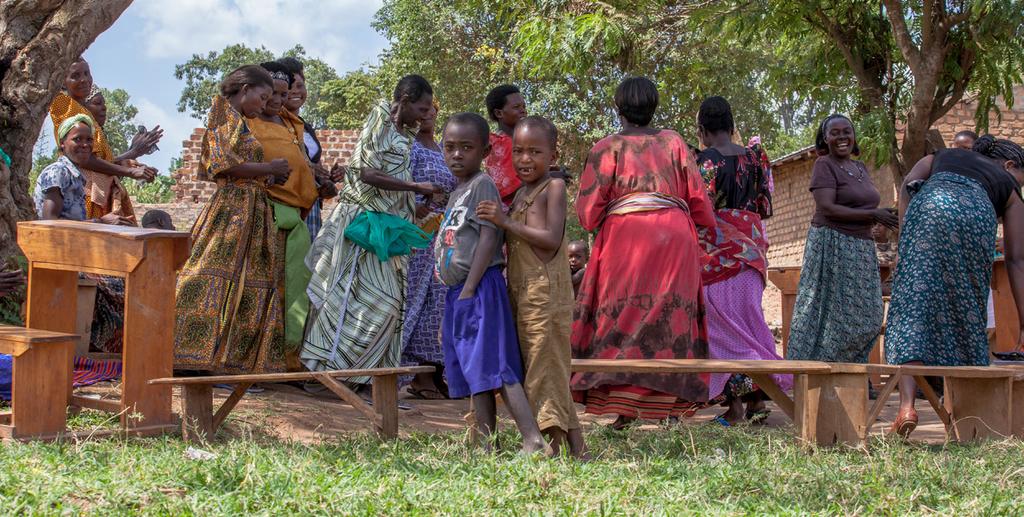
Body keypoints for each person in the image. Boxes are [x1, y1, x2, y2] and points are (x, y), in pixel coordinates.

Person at [570, 77, 717, 429]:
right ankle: (669, 407)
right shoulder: (674, 142)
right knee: (671, 314)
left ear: (617, 109)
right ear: (654, 106)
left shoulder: (606, 148)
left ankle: (623, 407)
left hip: (626, 236)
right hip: (675, 238)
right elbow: (699, 201)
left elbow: (588, 212)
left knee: (622, 314)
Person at [302, 75, 440, 390]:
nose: (424, 115)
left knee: (387, 304)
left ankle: (362, 378)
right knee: (360, 301)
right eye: (421, 107)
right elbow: (367, 173)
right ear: (403, 99)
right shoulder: (379, 120)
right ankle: (331, 375)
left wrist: (412, 202)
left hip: (387, 229)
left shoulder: (403, 133)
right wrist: (417, 186)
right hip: (364, 227)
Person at [885, 135, 1024, 437]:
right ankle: (966, 418)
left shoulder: (941, 156)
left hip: (929, 211)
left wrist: (908, 234)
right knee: (967, 306)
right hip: (976, 219)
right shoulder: (1009, 185)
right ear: (1010, 165)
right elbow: (1015, 260)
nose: (1020, 185)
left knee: (912, 306)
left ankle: (906, 407)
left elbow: (910, 181)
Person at [435, 112, 548, 454]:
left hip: (480, 288)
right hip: (460, 291)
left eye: (466, 148)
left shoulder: (481, 184)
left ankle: (533, 439)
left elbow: (489, 235)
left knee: (497, 365)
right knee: (475, 369)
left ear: (484, 151)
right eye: (450, 147)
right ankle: (485, 444)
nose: (456, 154)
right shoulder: (457, 191)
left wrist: (470, 288)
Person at [477, 116, 587, 457]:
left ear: (552, 155)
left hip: (546, 296)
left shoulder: (553, 188)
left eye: (534, 152)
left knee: (544, 368)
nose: (525, 159)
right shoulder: (522, 192)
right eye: (519, 152)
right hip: (522, 294)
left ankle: (548, 445)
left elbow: (551, 241)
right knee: (543, 366)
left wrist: (505, 221)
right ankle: (578, 447)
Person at [174, 65, 291, 374]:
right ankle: (189, 355)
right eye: (262, 97)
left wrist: (270, 177)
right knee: (207, 275)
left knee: (245, 283)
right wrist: (269, 169)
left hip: (251, 209)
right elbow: (222, 165)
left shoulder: (240, 123)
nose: (265, 105)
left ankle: (227, 361)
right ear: (244, 90)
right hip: (232, 210)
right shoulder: (222, 116)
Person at [695, 96, 790, 426]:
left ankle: (736, 408)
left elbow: (701, 210)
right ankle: (756, 403)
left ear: (702, 130)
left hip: (716, 256)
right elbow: (763, 206)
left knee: (722, 332)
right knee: (749, 325)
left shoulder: (705, 161)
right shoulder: (755, 158)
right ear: (732, 126)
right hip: (751, 255)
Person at [785, 115, 897, 364]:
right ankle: (825, 372)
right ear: (825, 138)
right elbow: (827, 207)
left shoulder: (860, 168)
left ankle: (851, 368)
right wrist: (872, 214)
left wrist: (882, 218)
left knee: (869, 315)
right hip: (834, 244)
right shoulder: (824, 164)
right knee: (835, 318)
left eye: (847, 131)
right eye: (834, 133)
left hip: (861, 247)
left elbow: (863, 205)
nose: (842, 137)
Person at [247, 61, 319, 369]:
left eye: (283, 93)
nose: (277, 100)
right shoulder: (249, 125)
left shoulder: (292, 125)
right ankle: (259, 360)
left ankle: (289, 359)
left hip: (298, 217)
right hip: (269, 212)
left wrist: (319, 178)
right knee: (266, 289)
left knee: (295, 290)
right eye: (271, 94)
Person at [49, 57, 159, 223]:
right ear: (63, 82)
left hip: (98, 191)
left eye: (87, 73)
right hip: (85, 191)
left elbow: (99, 160)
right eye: (75, 76)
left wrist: (130, 162)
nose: (84, 79)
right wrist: (130, 169)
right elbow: (85, 159)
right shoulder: (64, 103)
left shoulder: (85, 116)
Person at [402, 98, 456, 399]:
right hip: (417, 233)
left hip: (444, 233)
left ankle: (433, 372)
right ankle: (414, 374)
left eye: (431, 108)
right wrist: (416, 206)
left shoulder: (443, 150)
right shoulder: (409, 148)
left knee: (439, 304)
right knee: (415, 300)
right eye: (421, 109)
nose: (427, 114)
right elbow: (397, 186)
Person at [276, 56, 340, 241]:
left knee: (305, 266)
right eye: (290, 86)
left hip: (310, 209)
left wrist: (327, 182)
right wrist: (308, 168)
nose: (296, 91)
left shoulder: (307, 128)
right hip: (285, 207)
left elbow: (313, 171)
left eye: (300, 85)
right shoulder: (272, 124)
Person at [484, 84, 527, 205]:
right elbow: (504, 189)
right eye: (516, 107)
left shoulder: (521, 141)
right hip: (509, 214)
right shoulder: (497, 143)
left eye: (524, 106)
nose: (523, 110)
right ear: (499, 113)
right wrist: (547, 177)